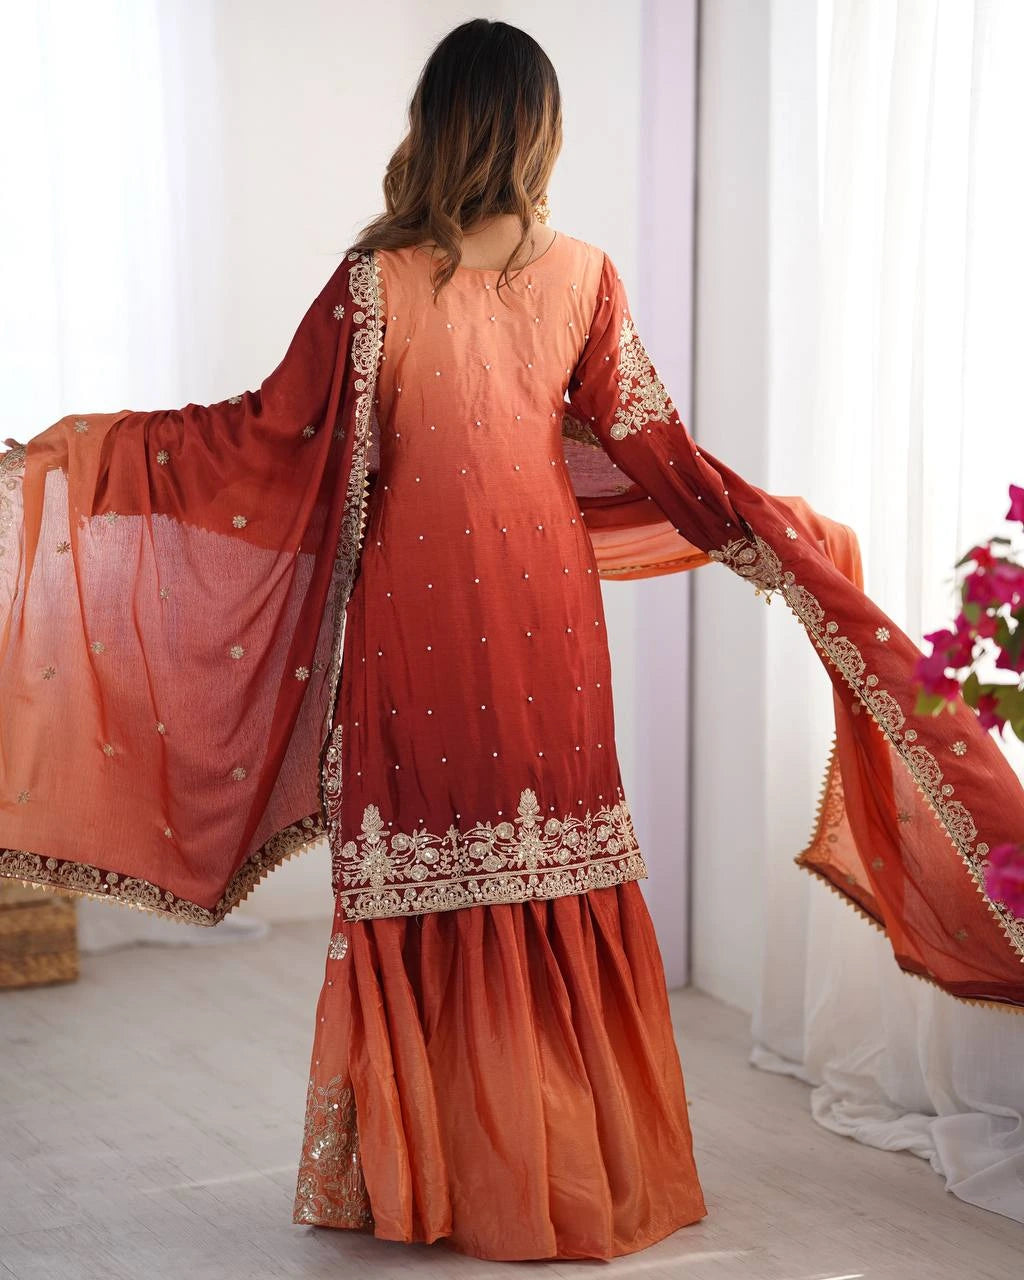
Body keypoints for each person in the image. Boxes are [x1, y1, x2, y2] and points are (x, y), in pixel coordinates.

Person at [2, 14, 1023, 1267]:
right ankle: (569, 1162)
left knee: (442, 873)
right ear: (537, 129)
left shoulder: (375, 281)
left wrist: (88, 454)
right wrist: (761, 530)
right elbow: (659, 451)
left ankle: (434, 1177)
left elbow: (257, 437)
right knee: (546, 865)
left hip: (418, 629)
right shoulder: (580, 275)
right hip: (540, 624)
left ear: (434, 124)